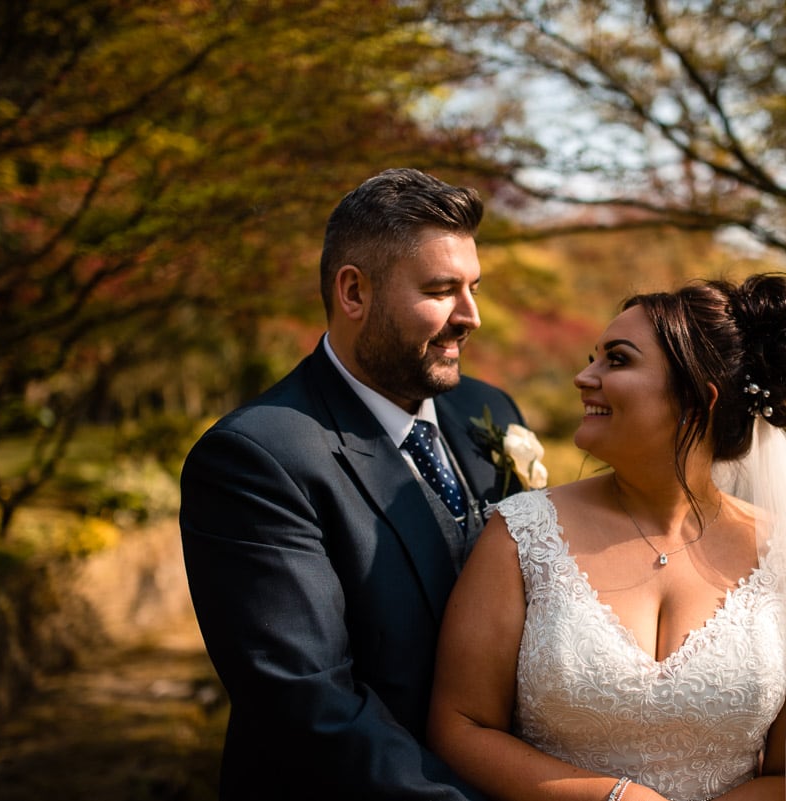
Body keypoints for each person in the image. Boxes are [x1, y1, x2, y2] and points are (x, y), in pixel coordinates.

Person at [429, 274, 786, 801]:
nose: (583, 377)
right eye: (594, 358)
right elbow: (461, 726)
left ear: (696, 398)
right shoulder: (521, 534)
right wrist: (612, 799)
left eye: (616, 360)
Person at [180, 168, 532, 800]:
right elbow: (311, 708)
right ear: (353, 292)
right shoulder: (256, 459)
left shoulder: (493, 413)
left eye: (474, 287)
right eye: (442, 289)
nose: (471, 317)